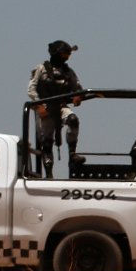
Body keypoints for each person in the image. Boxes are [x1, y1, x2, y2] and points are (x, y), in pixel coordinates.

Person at [27, 40, 84, 178]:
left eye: (68, 55)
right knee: (47, 142)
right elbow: (31, 89)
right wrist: (39, 105)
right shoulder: (41, 69)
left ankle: (72, 154)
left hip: (61, 107)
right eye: (64, 54)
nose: (66, 58)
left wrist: (78, 96)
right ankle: (49, 174)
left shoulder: (68, 71)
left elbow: (78, 87)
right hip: (45, 107)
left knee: (73, 120)